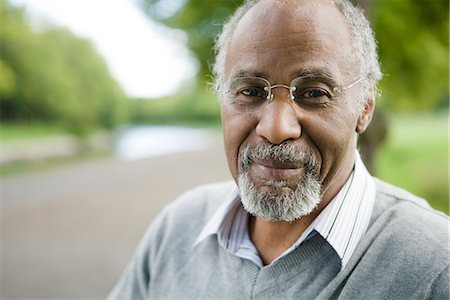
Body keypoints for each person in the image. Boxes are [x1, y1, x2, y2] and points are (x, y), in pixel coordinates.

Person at [108, 0, 449, 299]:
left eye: (314, 92)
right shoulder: (178, 229)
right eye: (251, 92)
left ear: (365, 107)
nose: (275, 128)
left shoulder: (435, 266)